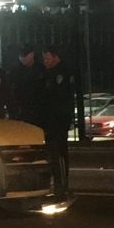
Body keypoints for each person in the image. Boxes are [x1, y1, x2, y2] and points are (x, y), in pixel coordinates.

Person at [39, 47, 77, 200]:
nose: (45, 62)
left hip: (58, 120)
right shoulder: (48, 73)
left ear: (56, 57)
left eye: (47, 59)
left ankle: (61, 187)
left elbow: (61, 99)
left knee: (58, 153)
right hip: (50, 120)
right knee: (51, 154)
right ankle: (56, 185)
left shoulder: (64, 73)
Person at [7, 45, 43, 126]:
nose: (23, 58)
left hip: (38, 112)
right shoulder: (15, 71)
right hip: (21, 111)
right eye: (21, 56)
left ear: (32, 54)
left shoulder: (41, 70)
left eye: (25, 55)